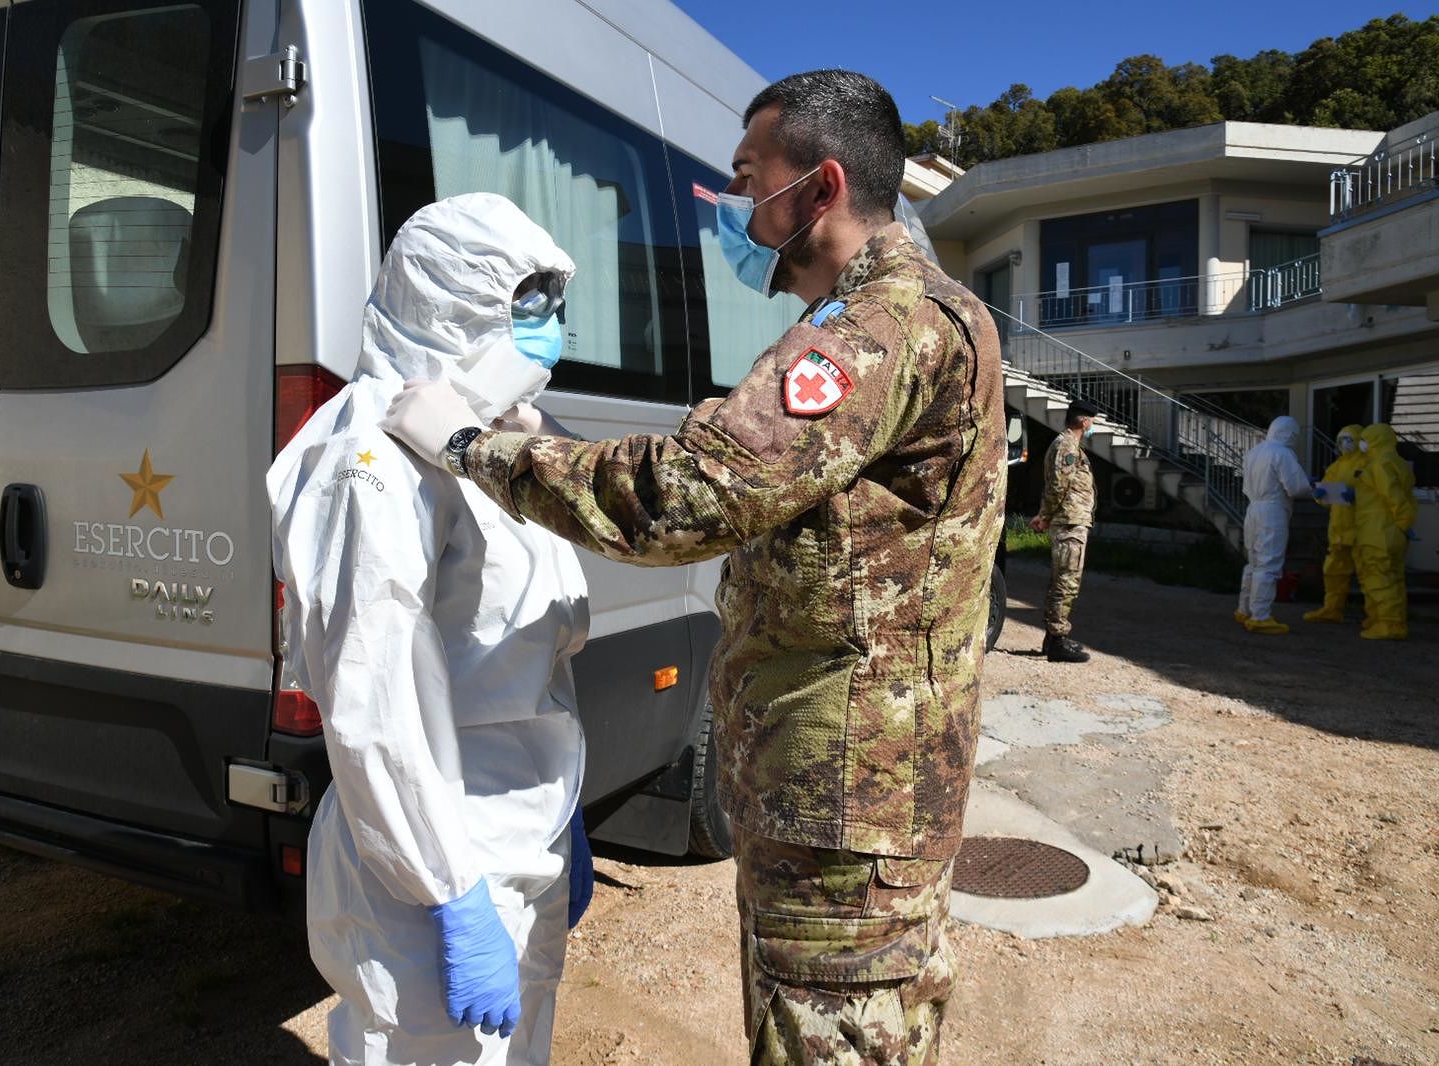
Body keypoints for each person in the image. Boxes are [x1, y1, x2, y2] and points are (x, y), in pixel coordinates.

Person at [382, 70, 1005, 1065]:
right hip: (855, 789)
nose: (730, 204)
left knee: (829, 1039)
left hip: (844, 800)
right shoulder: (927, 314)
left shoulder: (876, 330)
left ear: (820, 190)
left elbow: (692, 495)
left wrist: (475, 449)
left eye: (748, 177)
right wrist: (561, 442)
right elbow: (767, 477)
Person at [269, 193, 596, 1066]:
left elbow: (532, 646)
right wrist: (449, 893)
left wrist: (564, 809)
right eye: (524, 306)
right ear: (454, 304)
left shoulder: (489, 444)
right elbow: (375, 701)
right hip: (430, 868)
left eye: (554, 305)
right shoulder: (371, 460)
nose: (549, 328)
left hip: (521, 834)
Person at [1030, 399, 1098, 663]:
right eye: (1091, 421)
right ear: (1084, 421)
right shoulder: (1066, 445)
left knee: (1063, 579)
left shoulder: (1068, 445)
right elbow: (1058, 485)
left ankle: (1052, 638)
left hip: (1072, 520)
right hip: (1069, 522)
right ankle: (1058, 641)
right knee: (1066, 582)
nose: (1092, 425)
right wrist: (1045, 516)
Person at [1235, 415, 1315, 634]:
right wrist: (1314, 486)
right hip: (1273, 511)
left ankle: (1244, 610)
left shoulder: (1254, 452)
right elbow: (1296, 488)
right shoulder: (1283, 453)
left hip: (1253, 509)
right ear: (1289, 434)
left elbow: (1245, 486)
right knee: (1269, 563)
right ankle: (1261, 616)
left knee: (1253, 562)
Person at [1352, 422, 1417, 640]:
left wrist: (1403, 520)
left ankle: (1387, 624)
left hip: (1378, 530)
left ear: (1375, 440)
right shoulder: (1399, 463)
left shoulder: (1379, 464)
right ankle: (1389, 620)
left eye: (1365, 439)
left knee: (1378, 577)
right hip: (1394, 531)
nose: (1361, 443)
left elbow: (1393, 496)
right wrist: (1405, 526)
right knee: (1395, 579)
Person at [1303, 424, 1363, 624]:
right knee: (1334, 571)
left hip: (1362, 527)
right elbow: (1327, 497)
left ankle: (1379, 616)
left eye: (1350, 439)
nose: (1345, 443)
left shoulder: (1367, 464)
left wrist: (1359, 497)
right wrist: (1319, 494)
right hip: (1338, 527)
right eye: (1342, 439)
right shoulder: (1336, 466)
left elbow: (1378, 493)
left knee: (1369, 573)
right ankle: (1332, 609)